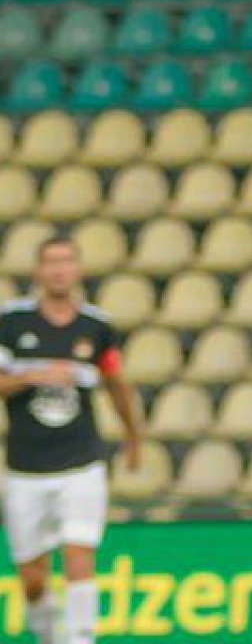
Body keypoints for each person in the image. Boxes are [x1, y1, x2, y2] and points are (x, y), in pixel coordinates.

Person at [0, 236, 143, 644]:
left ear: (78, 269)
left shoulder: (96, 328)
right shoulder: (12, 323)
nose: (59, 269)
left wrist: (133, 436)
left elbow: (115, 383)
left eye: (66, 261)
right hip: (26, 467)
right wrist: (32, 375)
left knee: (79, 554)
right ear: (38, 270)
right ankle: (47, 635)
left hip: (81, 462)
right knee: (32, 578)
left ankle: (81, 638)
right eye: (51, 261)